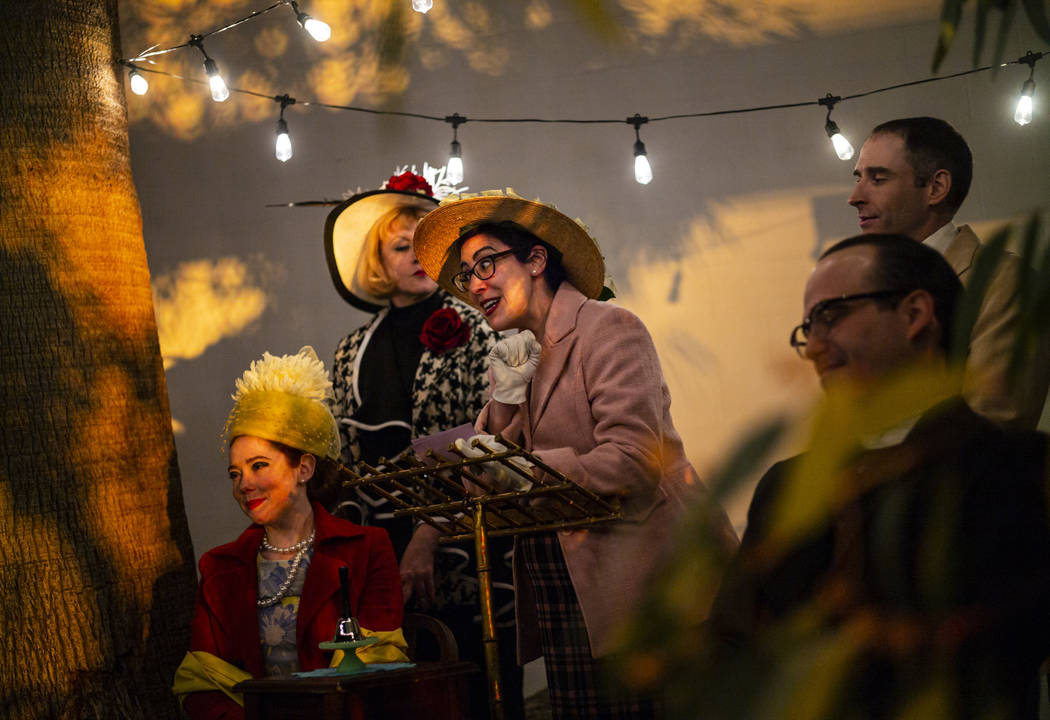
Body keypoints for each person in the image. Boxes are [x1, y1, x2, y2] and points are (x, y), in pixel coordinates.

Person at [412, 190, 736, 718]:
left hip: (645, 586)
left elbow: (632, 460)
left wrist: (519, 474)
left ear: (537, 260)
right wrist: (505, 396)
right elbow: (480, 482)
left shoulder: (609, 328)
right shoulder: (520, 354)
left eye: (487, 262)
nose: (475, 284)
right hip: (564, 586)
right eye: (466, 275)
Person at [706, 234, 1050, 719]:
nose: (816, 350)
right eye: (808, 329)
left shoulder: (1021, 470)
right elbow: (733, 647)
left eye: (832, 316)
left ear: (914, 315)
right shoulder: (786, 488)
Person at [324, 170, 522, 716]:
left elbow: (491, 442)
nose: (415, 256)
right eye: (401, 246)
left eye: (427, 245)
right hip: (381, 566)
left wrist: (427, 538)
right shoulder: (350, 351)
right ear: (378, 261)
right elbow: (346, 464)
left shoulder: (476, 325)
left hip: (466, 554)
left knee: (475, 697)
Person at [173, 346, 406, 720]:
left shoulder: (367, 548)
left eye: (258, 465)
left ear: (305, 468)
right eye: (235, 473)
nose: (244, 484)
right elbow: (201, 684)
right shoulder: (219, 567)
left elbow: (380, 666)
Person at [847, 116, 1050, 428]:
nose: (855, 197)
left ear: (936, 187)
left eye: (877, 179)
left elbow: (994, 422)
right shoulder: (867, 292)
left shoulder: (1003, 282)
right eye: (858, 177)